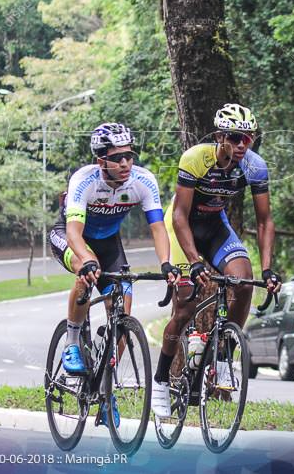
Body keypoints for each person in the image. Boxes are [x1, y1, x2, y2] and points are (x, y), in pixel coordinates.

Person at [151, 103, 281, 418]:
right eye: (235, 138)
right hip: (183, 228)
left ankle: (223, 357)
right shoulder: (196, 158)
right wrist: (194, 262)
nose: (241, 145)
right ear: (220, 136)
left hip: (215, 228)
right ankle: (160, 381)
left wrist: (267, 269)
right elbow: (180, 216)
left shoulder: (254, 166)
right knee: (185, 306)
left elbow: (264, 221)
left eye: (247, 139)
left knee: (244, 282)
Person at [49, 122, 180, 426]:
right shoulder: (84, 180)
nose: (125, 164)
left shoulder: (143, 181)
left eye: (129, 156)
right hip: (72, 238)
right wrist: (86, 260)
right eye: (117, 158)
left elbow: (158, 227)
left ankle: (106, 393)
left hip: (110, 245)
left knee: (123, 315)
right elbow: (73, 231)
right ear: (101, 160)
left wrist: (166, 264)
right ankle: (71, 343)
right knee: (86, 270)